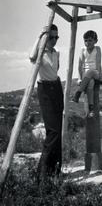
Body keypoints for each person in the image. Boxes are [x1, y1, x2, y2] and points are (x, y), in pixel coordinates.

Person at [29, 24, 64, 182]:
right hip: (45, 90)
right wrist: (39, 36)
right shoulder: (41, 52)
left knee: (58, 130)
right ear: (46, 38)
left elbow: (56, 71)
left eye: (56, 37)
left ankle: (55, 170)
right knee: (53, 132)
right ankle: (41, 172)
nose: (54, 40)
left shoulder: (56, 53)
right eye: (51, 37)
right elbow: (31, 57)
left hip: (57, 88)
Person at [72, 30, 102, 117]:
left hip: (95, 72)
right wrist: (79, 78)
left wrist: (100, 76)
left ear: (95, 41)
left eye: (90, 40)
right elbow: (80, 65)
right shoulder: (82, 50)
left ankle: (78, 93)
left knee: (91, 71)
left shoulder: (97, 49)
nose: (87, 43)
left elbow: (98, 63)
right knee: (90, 84)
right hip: (86, 75)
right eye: (85, 40)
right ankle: (91, 108)